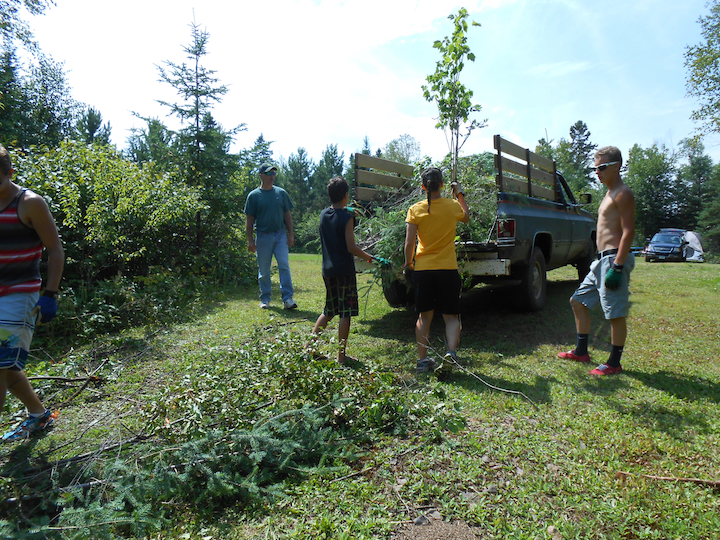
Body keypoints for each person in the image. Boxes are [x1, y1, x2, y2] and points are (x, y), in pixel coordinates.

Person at [1, 144, 64, 441]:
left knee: (0, 366)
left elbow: (55, 249)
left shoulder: (29, 203)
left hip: (19, 294)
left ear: (10, 174)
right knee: (7, 366)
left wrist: (49, 294)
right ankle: (39, 416)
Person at [557, 146, 636, 376]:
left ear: (616, 167)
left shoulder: (623, 193)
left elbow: (629, 232)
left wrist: (618, 267)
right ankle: (581, 351)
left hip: (613, 260)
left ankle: (614, 363)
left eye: (601, 167)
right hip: (600, 262)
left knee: (614, 313)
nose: (597, 172)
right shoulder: (609, 192)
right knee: (577, 301)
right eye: (595, 168)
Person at [403, 167, 470, 374]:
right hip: (447, 269)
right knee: (451, 317)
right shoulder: (452, 206)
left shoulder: (416, 209)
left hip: (423, 270)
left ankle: (422, 361)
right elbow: (466, 216)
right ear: (442, 184)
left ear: (423, 186)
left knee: (424, 317)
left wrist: (408, 265)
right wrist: (459, 193)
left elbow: (409, 244)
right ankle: (451, 353)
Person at [312, 177, 376, 365]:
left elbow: (334, 213)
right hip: (345, 272)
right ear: (346, 196)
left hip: (328, 271)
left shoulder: (324, 214)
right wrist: (369, 257)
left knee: (329, 310)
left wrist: (346, 210)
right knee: (345, 313)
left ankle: (311, 348)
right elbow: (351, 247)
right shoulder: (348, 218)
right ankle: (341, 355)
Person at [244, 163, 297, 310]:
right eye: (268, 173)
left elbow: (287, 215)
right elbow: (249, 221)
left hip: (280, 235)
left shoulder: (281, 193)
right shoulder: (253, 196)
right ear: (260, 175)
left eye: (273, 173)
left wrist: (290, 234)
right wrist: (249, 240)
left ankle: (288, 299)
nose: (272, 176)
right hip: (262, 236)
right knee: (264, 270)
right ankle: (265, 298)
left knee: (284, 266)